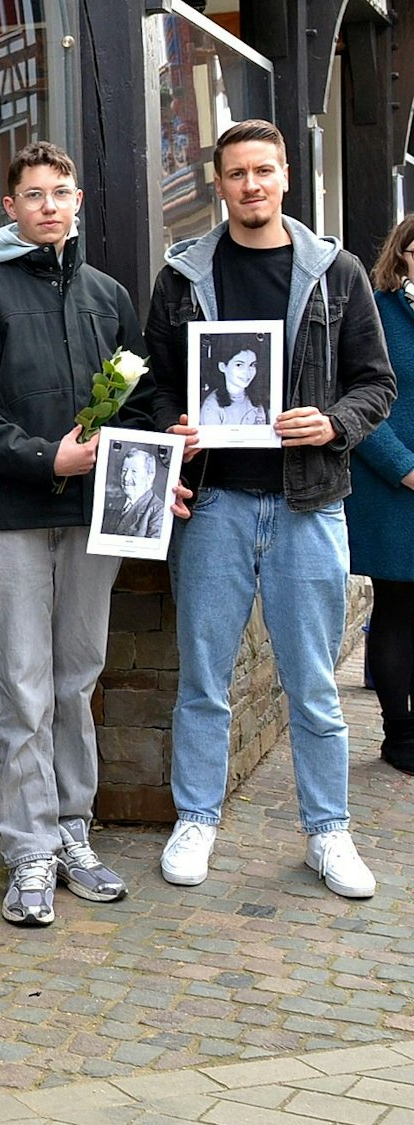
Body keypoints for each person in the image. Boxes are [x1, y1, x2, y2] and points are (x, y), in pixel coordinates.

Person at [147, 119, 396, 900]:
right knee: (203, 679)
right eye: (236, 173)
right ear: (218, 183)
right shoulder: (183, 275)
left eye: (263, 170)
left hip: (308, 505)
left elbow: (377, 383)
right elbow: (155, 380)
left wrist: (334, 423)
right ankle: (196, 818)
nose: (251, 184)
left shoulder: (337, 272)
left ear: (287, 174)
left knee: (313, 684)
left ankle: (328, 833)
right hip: (215, 504)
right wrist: (170, 424)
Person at [0, 140, 143, 927]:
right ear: (11, 206)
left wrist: (160, 462)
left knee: (76, 680)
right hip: (16, 514)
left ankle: (72, 834)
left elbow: (140, 401)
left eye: (60, 192)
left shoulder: (108, 296)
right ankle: (28, 848)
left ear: (78, 200)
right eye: (33, 194)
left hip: (95, 517)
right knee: (23, 685)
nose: (48, 206)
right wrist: (44, 457)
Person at [356, 216, 414, 772]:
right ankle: (399, 734)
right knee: (397, 607)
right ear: (403, 255)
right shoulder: (377, 311)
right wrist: (404, 468)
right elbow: (359, 396)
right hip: (394, 491)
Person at [104, 445, 166, 539]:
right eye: (124, 471)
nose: (126, 478)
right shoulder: (113, 504)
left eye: (134, 471)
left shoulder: (159, 511)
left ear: (150, 476)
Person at [199, 345, 269, 426]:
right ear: (222, 367)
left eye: (252, 365)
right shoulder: (211, 407)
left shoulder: (257, 399)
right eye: (239, 365)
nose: (247, 372)